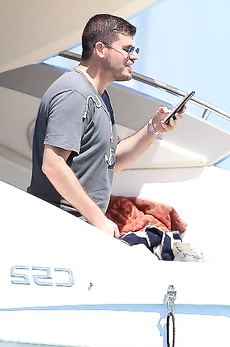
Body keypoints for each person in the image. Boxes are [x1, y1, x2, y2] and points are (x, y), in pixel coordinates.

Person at [27, 14, 185, 238]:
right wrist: (98, 219)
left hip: (81, 225)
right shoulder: (75, 92)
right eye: (128, 49)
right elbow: (53, 164)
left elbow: (111, 162)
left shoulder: (99, 97)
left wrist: (153, 129)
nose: (134, 57)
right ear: (100, 49)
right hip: (60, 226)